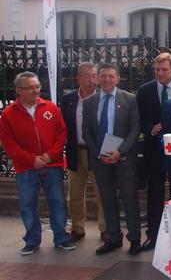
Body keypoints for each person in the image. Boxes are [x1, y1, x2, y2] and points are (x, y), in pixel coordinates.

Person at [0, 72, 76, 255]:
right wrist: (30, 159)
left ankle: (61, 237)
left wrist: (50, 155)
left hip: (52, 165)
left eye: (37, 86)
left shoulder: (50, 107)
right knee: (28, 204)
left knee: (57, 202)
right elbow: (9, 142)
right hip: (26, 167)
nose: (35, 90)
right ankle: (32, 240)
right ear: (19, 90)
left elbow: (61, 133)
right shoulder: (8, 114)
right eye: (30, 87)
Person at [82, 63, 142, 256]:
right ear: (98, 79)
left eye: (111, 76)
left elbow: (135, 129)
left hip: (123, 159)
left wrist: (120, 151)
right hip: (101, 160)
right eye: (103, 76)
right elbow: (86, 131)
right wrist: (98, 153)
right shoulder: (90, 102)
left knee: (129, 199)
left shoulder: (129, 99)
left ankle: (134, 239)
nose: (107, 79)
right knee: (107, 200)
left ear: (117, 79)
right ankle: (113, 238)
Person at [136, 52, 171, 251]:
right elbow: (138, 120)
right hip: (154, 150)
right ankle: (153, 236)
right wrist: (149, 129)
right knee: (154, 193)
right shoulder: (145, 91)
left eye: (164, 70)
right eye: (157, 70)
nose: (160, 73)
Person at [60, 62, 106, 243]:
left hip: (96, 153)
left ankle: (105, 228)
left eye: (95, 75)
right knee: (75, 195)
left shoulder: (104, 98)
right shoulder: (68, 99)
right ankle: (77, 228)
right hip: (75, 152)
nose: (92, 80)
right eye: (87, 75)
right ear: (78, 78)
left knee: (102, 194)